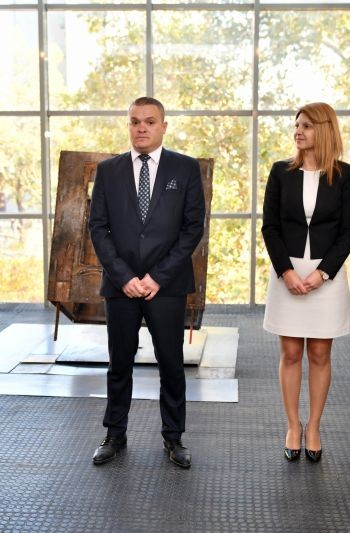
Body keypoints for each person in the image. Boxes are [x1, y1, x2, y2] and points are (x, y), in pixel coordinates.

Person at [88, 96, 205, 469]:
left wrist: (157, 277)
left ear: (163, 126)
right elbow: (98, 227)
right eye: (135, 121)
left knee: (170, 363)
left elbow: (192, 229)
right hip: (121, 286)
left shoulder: (185, 169)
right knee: (119, 363)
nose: (141, 128)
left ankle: (174, 437)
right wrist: (124, 277)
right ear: (129, 126)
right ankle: (114, 435)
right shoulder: (108, 171)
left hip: (166, 286)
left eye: (150, 121)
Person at [262, 102, 350, 462]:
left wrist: (323, 273)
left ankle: (314, 427)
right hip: (287, 273)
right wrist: (286, 272)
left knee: (320, 354)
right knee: (290, 353)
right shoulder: (280, 172)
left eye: (306, 125)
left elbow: (349, 230)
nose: (298, 131)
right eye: (297, 125)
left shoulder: (345, 175)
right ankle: (293, 425)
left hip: (326, 276)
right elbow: (270, 226)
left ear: (325, 129)